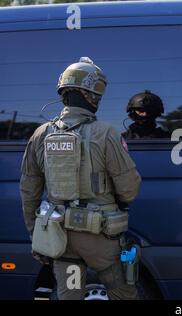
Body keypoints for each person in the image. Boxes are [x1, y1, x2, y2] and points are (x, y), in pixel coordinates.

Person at [20, 57, 142, 300]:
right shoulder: (105, 132)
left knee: (70, 294)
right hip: (100, 239)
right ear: (93, 95)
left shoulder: (41, 134)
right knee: (122, 292)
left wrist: (36, 235)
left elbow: (28, 190)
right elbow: (129, 189)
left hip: (60, 238)